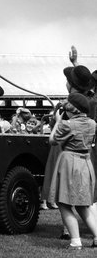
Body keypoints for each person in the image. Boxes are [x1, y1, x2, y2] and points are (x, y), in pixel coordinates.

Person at [41, 58, 94, 238]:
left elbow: (53, 133)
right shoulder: (90, 101)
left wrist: (56, 119)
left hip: (65, 149)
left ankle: (70, 232)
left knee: (64, 192)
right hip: (86, 151)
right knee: (83, 194)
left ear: (70, 84)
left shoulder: (66, 105)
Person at [48, 93, 97, 249]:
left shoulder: (67, 124)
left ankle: (75, 241)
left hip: (70, 163)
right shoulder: (92, 123)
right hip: (86, 163)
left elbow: (52, 140)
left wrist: (57, 121)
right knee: (83, 205)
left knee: (64, 203)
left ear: (70, 109)